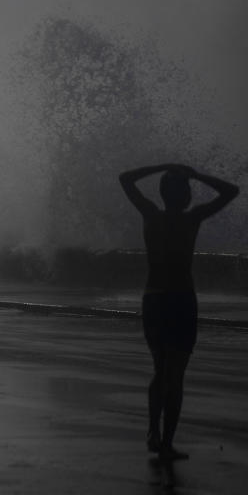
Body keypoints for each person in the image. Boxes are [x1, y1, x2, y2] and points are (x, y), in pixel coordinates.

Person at [119, 163, 239, 461]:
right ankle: (166, 442)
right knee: (176, 375)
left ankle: (153, 433)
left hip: (154, 298)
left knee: (161, 371)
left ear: (162, 194)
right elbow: (231, 191)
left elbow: (126, 178)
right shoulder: (193, 217)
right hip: (181, 300)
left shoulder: (151, 214)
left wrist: (164, 166)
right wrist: (195, 174)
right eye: (186, 190)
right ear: (184, 196)